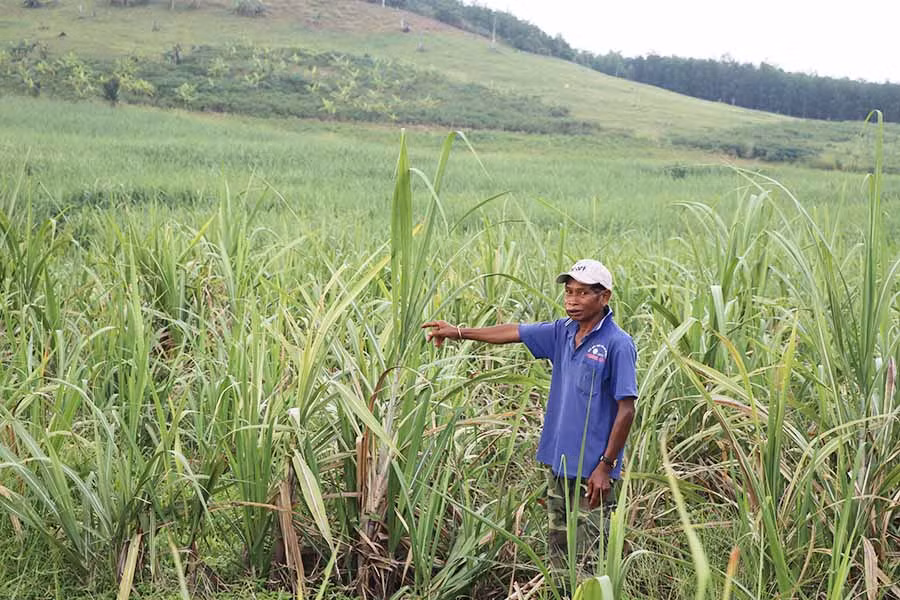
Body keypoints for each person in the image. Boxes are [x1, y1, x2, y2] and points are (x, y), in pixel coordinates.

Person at [422, 259, 637, 565]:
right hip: (560, 464)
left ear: (604, 297)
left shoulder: (617, 344)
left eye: (583, 293)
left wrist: (606, 466)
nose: (572, 300)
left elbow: (626, 410)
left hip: (593, 472)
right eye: (569, 292)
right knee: (559, 552)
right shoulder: (562, 332)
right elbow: (514, 332)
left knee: (590, 558)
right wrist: (458, 332)